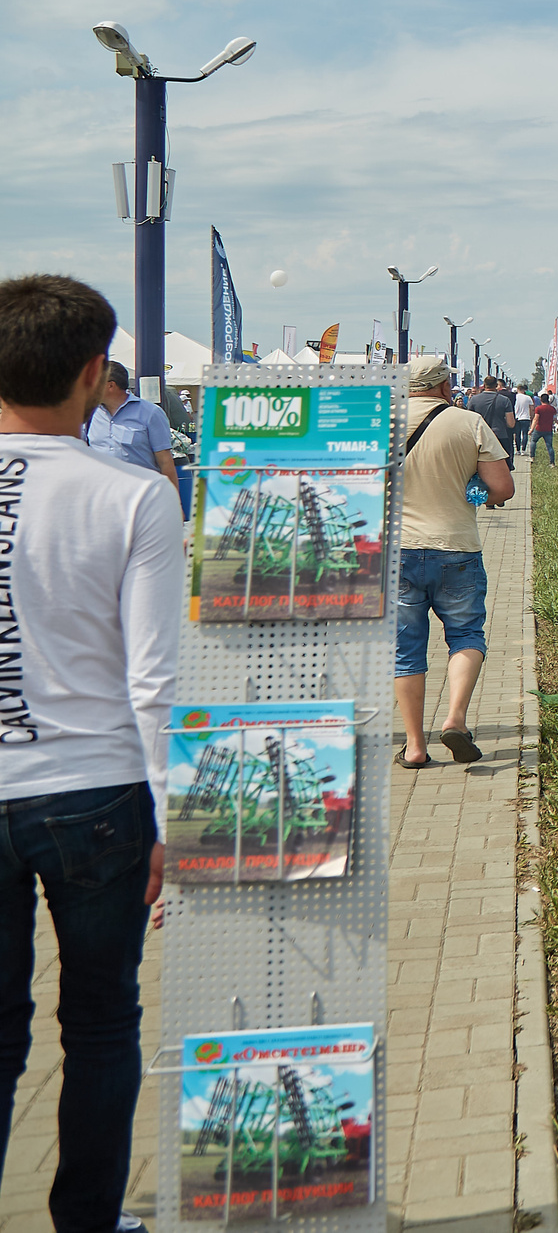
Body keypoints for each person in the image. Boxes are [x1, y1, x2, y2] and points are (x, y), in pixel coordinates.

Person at [0, 275, 184, 1229]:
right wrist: (172, 814)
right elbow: (153, 680)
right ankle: (88, 1219)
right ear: (92, 371)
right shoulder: (134, 496)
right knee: (103, 1023)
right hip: (99, 794)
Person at [394, 357, 513, 769]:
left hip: (397, 552)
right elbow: (503, 488)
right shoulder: (468, 423)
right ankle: (455, 719)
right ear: (445, 386)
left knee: (405, 651)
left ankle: (414, 746)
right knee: (465, 635)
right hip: (456, 547)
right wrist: (475, 493)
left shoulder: (381, 424)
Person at [83, 359, 182, 502]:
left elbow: (165, 461)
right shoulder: (89, 413)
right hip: (102, 497)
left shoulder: (150, 413)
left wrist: (174, 501)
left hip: (141, 498)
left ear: (110, 385)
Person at [466, 378, 516, 469]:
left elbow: (469, 420)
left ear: (484, 385)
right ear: (496, 386)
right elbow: (511, 423)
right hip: (500, 436)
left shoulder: (474, 400)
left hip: (480, 437)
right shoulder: (505, 400)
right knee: (503, 467)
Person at [528, 393, 558, 466]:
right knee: (549, 446)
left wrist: (531, 429)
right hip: (548, 429)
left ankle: (532, 457)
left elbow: (535, 419)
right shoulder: (552, 409)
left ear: (541, 400)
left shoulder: (538, 409)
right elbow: (554, 418)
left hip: (539, 429)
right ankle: (552, 462)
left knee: (533, 441)